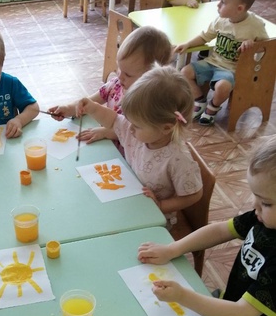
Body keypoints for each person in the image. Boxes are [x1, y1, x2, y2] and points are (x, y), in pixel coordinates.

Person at [138, 135, 276, 316]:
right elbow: (221, 230)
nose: (254, 206)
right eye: (255, 197)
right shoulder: (263, 218)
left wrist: (183, 296)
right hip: (229, 308)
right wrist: (173, 249)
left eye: (266, 202)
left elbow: (241, 314)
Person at [77, 65, 203, 227]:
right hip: (129, 200)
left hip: (153, 218)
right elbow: (114, 120)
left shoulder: (178, 159)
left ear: (166, 127)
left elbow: (194, 195)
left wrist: (161, 205)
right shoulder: (139, 132)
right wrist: (92, 107)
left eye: (136, 125)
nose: (129, 128)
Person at [48, 26, 172, 147]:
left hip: (127, 155)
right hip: (106, 147)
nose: (120, 76)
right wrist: (68, 109)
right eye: (119, 68)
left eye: (128, 74)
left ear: (152, 77)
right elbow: (88, 103)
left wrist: (106, 132)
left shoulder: (150, 103)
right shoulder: (116, 85)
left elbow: (134, 132)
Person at [175, 0, 268, 126]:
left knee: (223, 87)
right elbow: (204, 36)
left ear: (239, 8)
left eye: (223, 2)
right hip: (212, 62)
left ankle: (213, 108)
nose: (218, 4)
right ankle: (200, 101)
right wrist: (188, 44)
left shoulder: (255, 26)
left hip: (231, 69)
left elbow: (266, 49)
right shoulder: (220, 20)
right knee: (184, 72)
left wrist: (253, 45)